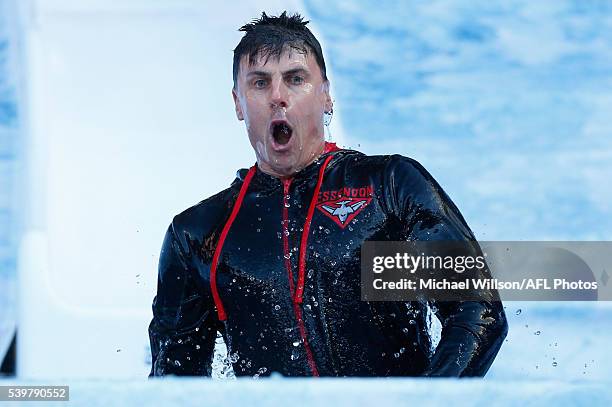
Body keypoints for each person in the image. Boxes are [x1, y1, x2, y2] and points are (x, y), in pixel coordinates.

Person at [148, 11, 507, 377]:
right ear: (238, 103)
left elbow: (477, 310)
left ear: (326, 95)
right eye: (259, 83)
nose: (277, 97)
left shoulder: (389, 187)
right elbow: (174, 383)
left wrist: (427, 402)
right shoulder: (198, 234)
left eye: (295, 79)